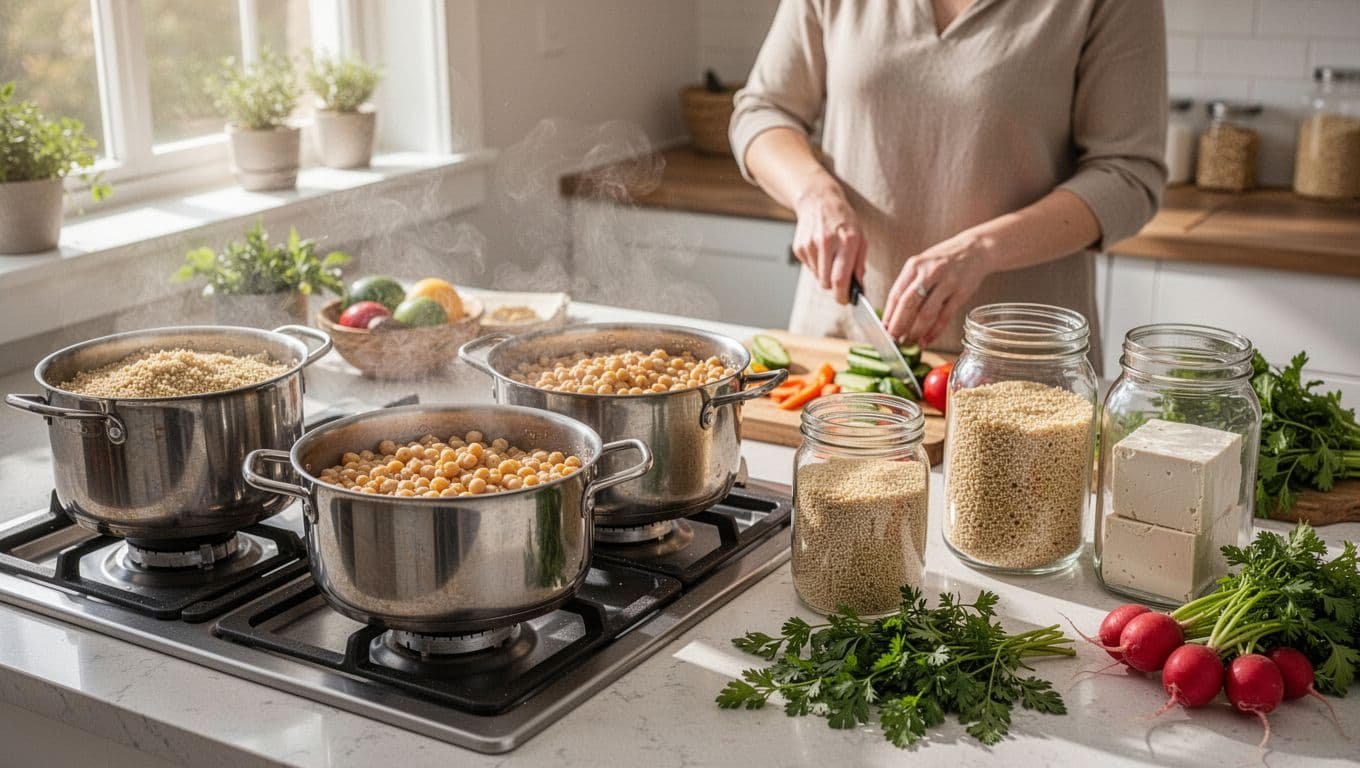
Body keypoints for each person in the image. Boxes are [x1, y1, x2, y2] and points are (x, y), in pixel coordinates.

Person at [730, 0, 1167, 365]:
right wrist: (813, 194)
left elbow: (1127, 175)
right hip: (844, 341)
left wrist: (982, 250)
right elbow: (763, 111)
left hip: (1022, 359)